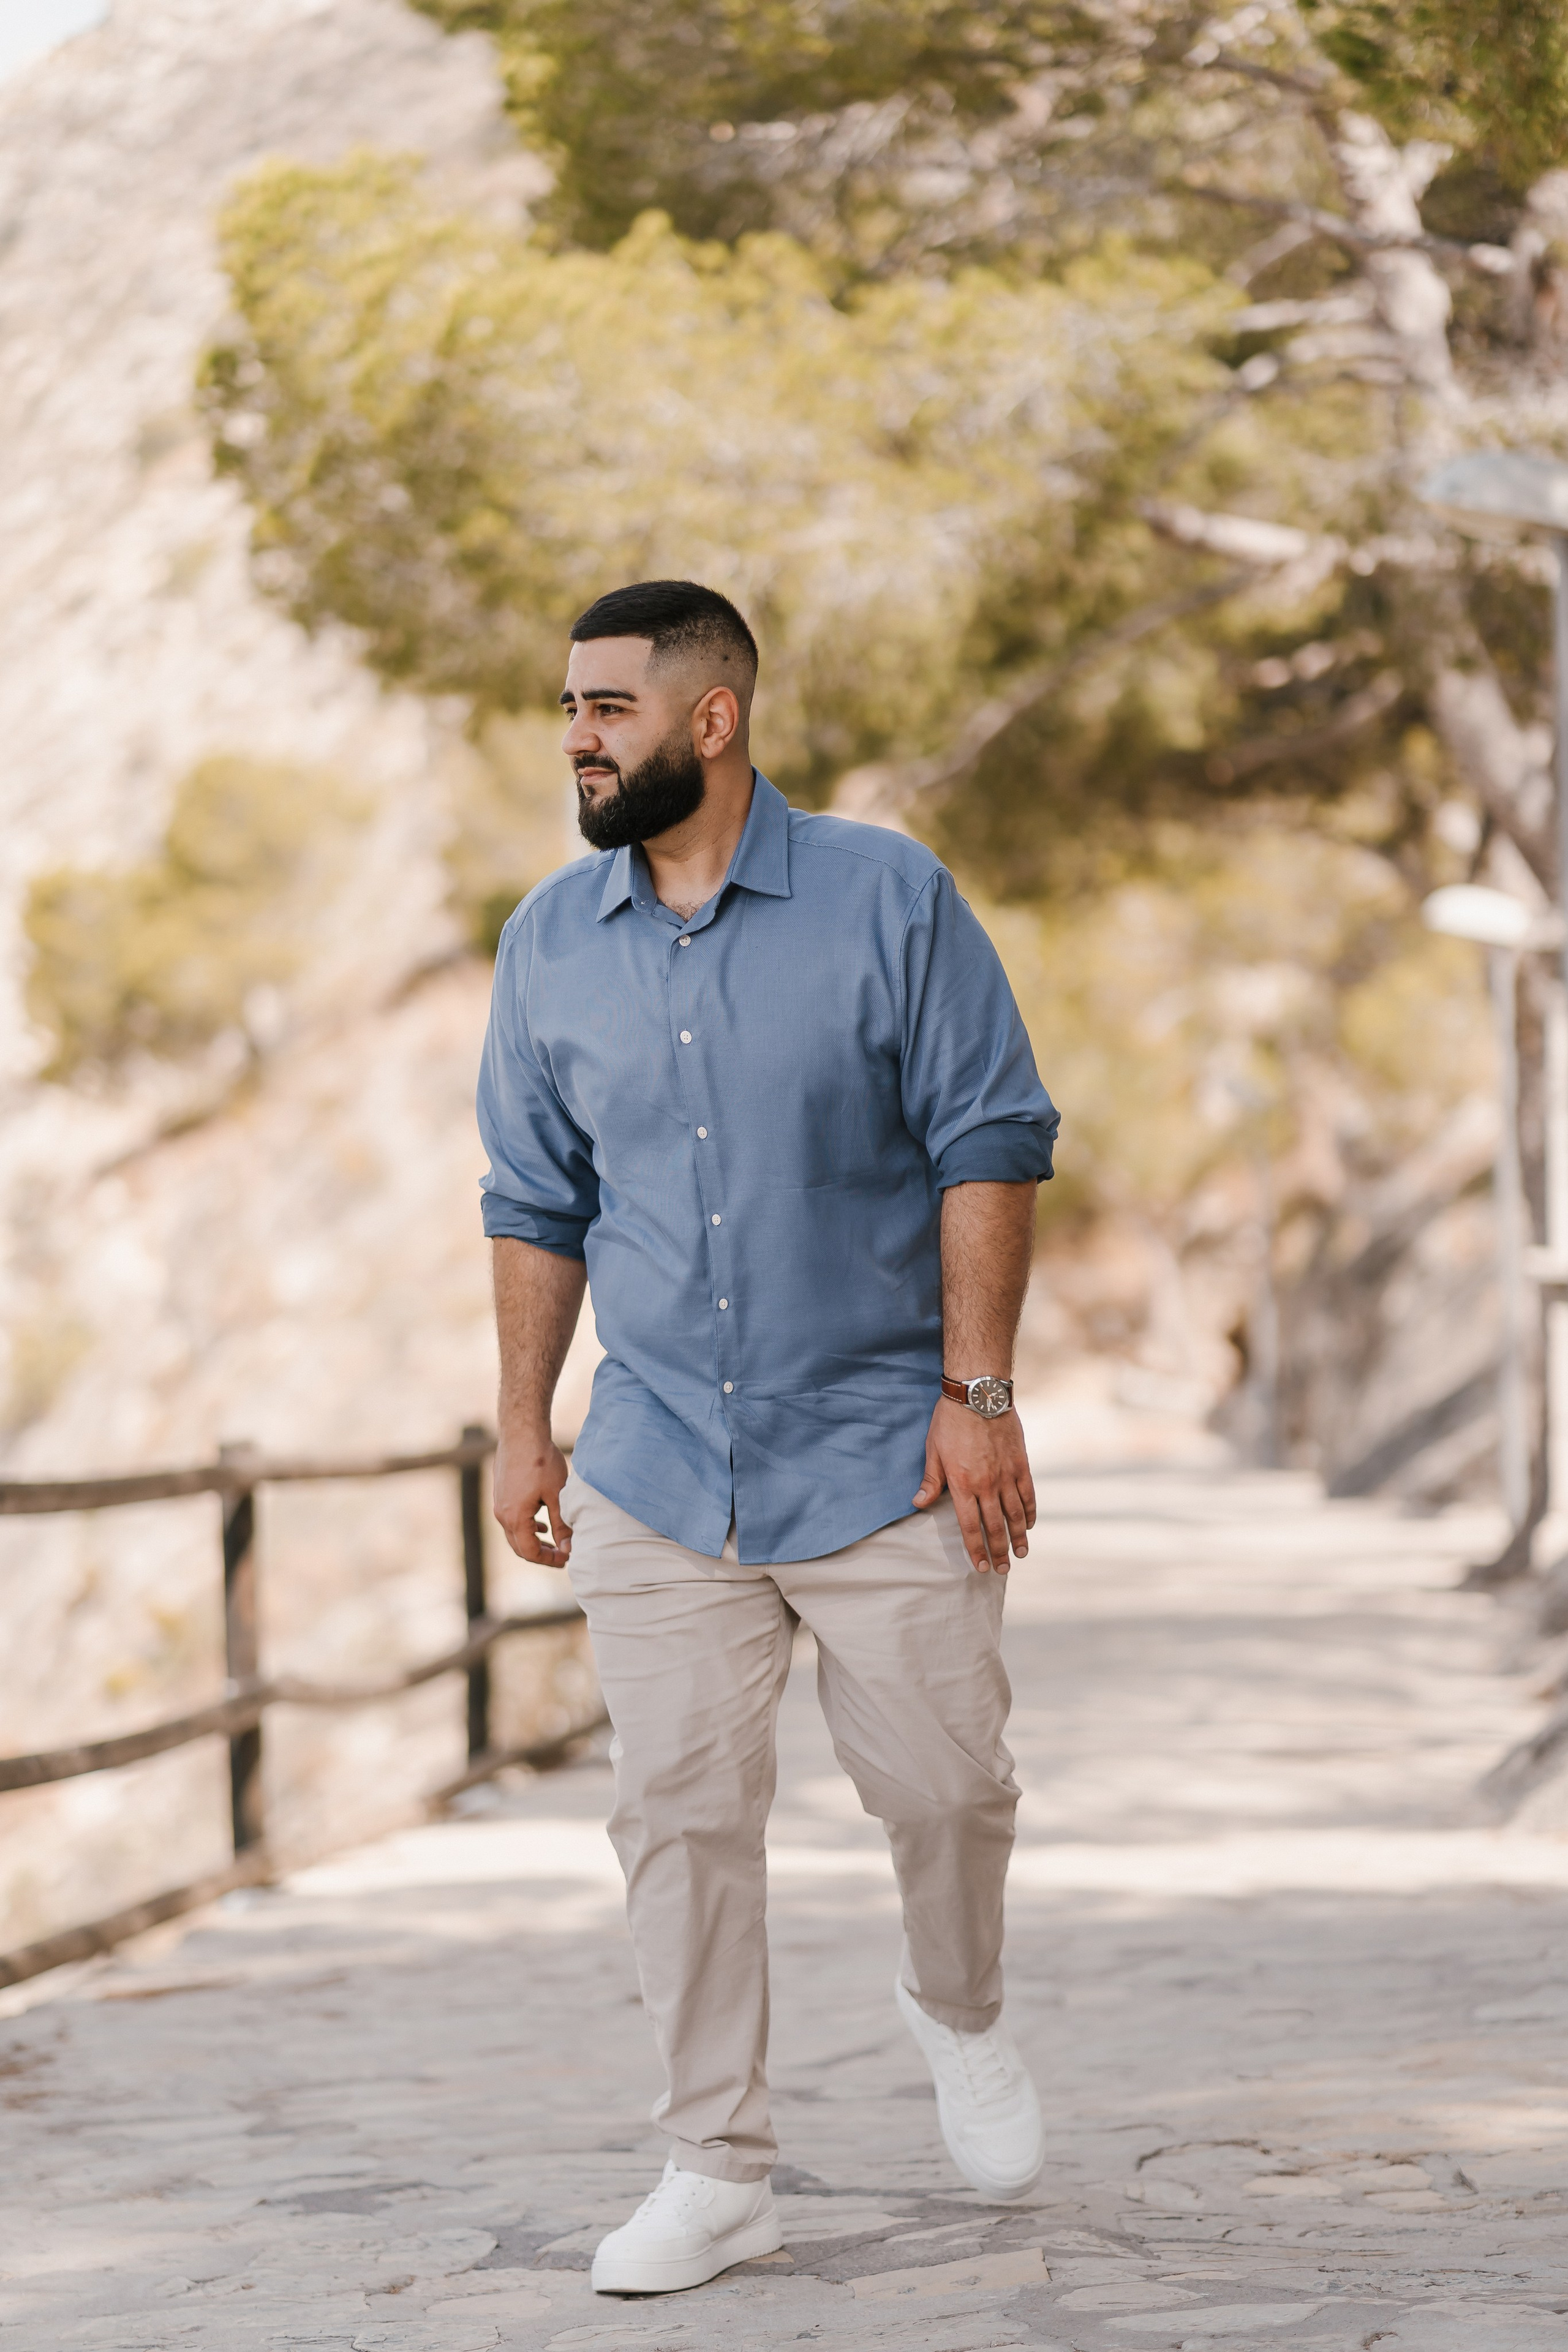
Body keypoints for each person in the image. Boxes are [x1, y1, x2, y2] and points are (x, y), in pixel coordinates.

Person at [477, 579, 1060, 2297]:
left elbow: (991, 1140)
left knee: (949, 1791)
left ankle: (956, 2011)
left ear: (710, 721)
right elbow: (533, 1201)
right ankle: (716, 2163)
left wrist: (980, 1395)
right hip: (657, 1455)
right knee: (676, 1810)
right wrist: (525, 1429)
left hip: (886, 1444)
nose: (576, 738)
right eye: (569, 708)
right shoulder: (547, 944)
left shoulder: (890, 897)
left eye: (607, 708)